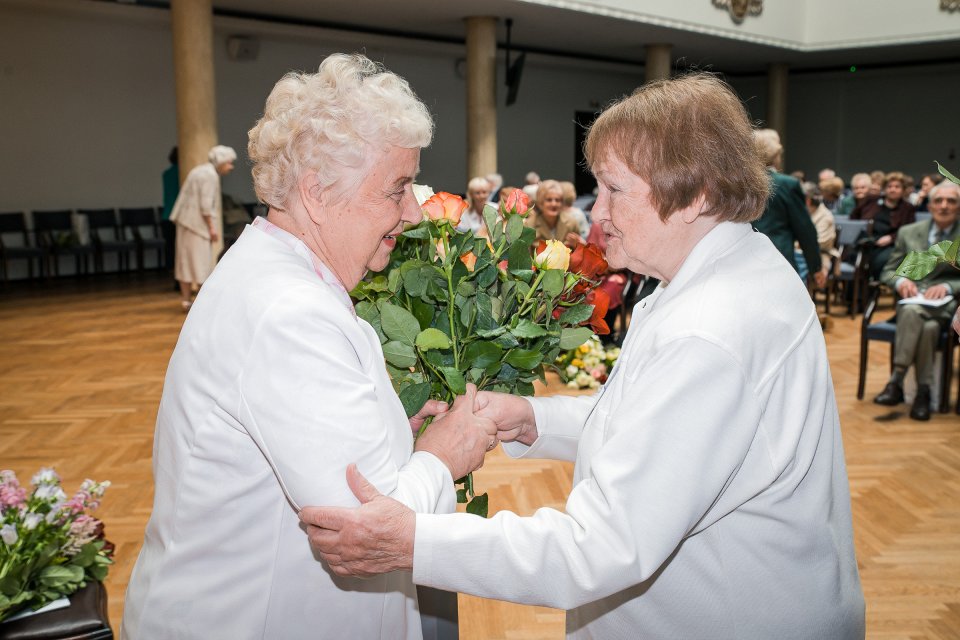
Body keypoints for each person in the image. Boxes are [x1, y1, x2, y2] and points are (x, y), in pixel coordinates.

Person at [300, 73, 865, 639]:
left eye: (616, 190)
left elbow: (601, 546)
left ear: (695, 195)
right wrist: (532, 419)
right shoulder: (726, 268)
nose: (598, 217)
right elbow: (650, 423)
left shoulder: (711, 332)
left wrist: (413, 539)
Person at [121, 53, 497, 640]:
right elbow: (366, 527)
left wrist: (391, 428)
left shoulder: (279, 274)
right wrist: (446, 455)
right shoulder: (287, 312)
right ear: (318, 193)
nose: (415, 212)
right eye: (397, 189)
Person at [873, 180, 960, 420]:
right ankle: (923, 392)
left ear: (959, 207)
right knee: (928, 327)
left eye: (951, 201)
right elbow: (889, 270)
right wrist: (901, 281)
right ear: (930, 206)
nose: (944, 206)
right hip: (914, 302)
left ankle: (896, 380)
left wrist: (947, 285)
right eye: (938, 200)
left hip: (947, 306)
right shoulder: (908, 232)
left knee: (912, 313)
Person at [752, 129, 825, 289]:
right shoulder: (786, 184)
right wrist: (816, 267)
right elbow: (805, 230)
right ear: (775, 156)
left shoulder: (737, 185)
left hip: (744, 261)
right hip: (779, 260)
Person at [168, 145, 235, 311]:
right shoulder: (210, 175)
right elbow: (206, 205)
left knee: (184, 262)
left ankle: (186, 300)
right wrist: (212, 228)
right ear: (221, 162)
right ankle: (201, 303)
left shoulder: (199, 171)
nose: (231, 167)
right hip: (197, 225)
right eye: (229, 163)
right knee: (200, 262)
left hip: (185, 222)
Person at [851, 171, 916, 279]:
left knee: (880, 260)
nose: (893, 189)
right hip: (868, 240)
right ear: (884, 189)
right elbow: (854, 216)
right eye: (889, 186)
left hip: (892, 244)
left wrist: (891, 238)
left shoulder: (908, 208)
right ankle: (855, 294)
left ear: (903, 189)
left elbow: (909, 230)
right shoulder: (872, 201)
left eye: (897, 187)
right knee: (855, 257)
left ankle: (873, 288)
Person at [525, 179, 583, 249]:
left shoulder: (572, 223)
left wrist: (578, 245)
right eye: (549, 200)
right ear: (540, 203)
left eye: (557, 200)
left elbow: (580, 253)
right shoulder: (529, 225)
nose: (554, 204)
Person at [161, 146, 179, 273]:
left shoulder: (166, 174)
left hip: (166, 215)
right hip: (178, 216)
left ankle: (172, 275)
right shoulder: (183, 173)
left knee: (171, 247)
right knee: (180, 250)